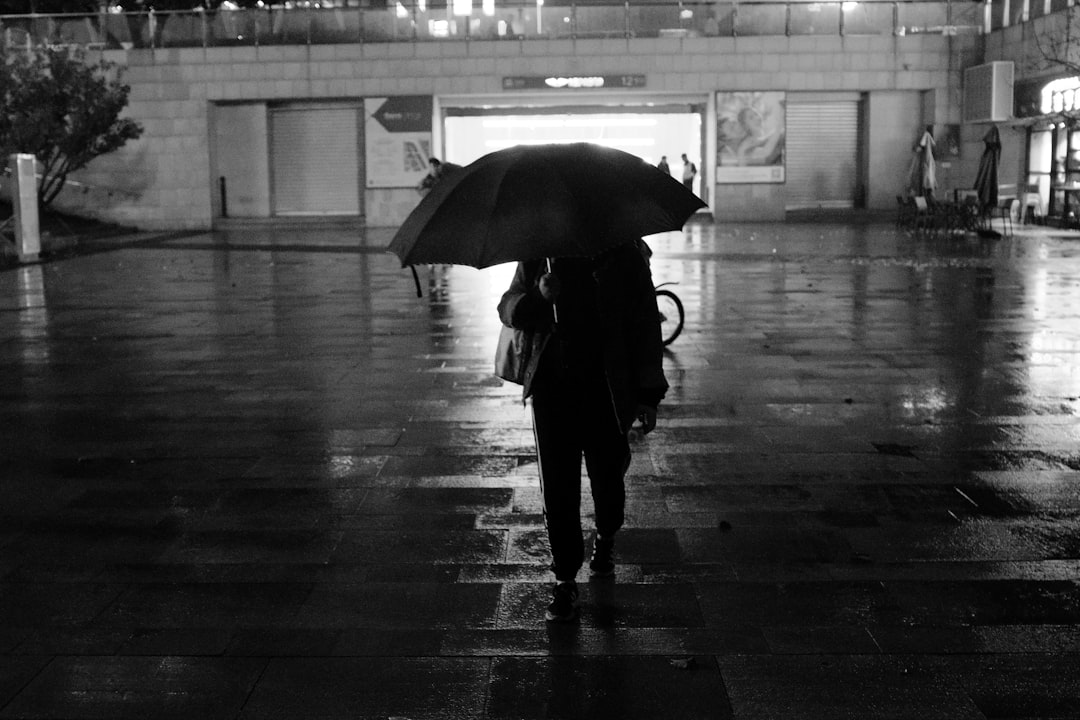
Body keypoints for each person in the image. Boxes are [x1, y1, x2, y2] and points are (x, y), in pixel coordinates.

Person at [496, 240, 668, 622]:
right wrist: (539, 297)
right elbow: (508, 306)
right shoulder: (540, 252)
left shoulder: (623, 254)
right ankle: (565, 577)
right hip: (552, 389)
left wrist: (648, 394)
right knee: (557, 485)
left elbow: (644, 324)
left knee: (608, 478)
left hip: (606, 391)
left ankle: (606, 536)